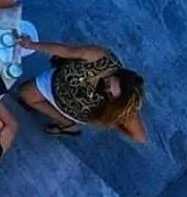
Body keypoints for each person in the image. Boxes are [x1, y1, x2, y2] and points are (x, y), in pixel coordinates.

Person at [14, 36, 148, 141]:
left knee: (26, 96)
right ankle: (62, 119)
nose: (104, 89)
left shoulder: (123, 106)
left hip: (73, 112)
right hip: (54, 83)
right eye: (107, 84)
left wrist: (113, 123)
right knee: (24, 92)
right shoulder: (100, 57)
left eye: (109, 94)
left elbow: (140, 137)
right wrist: (32, 45)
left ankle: (66, 122)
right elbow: (66, 51)